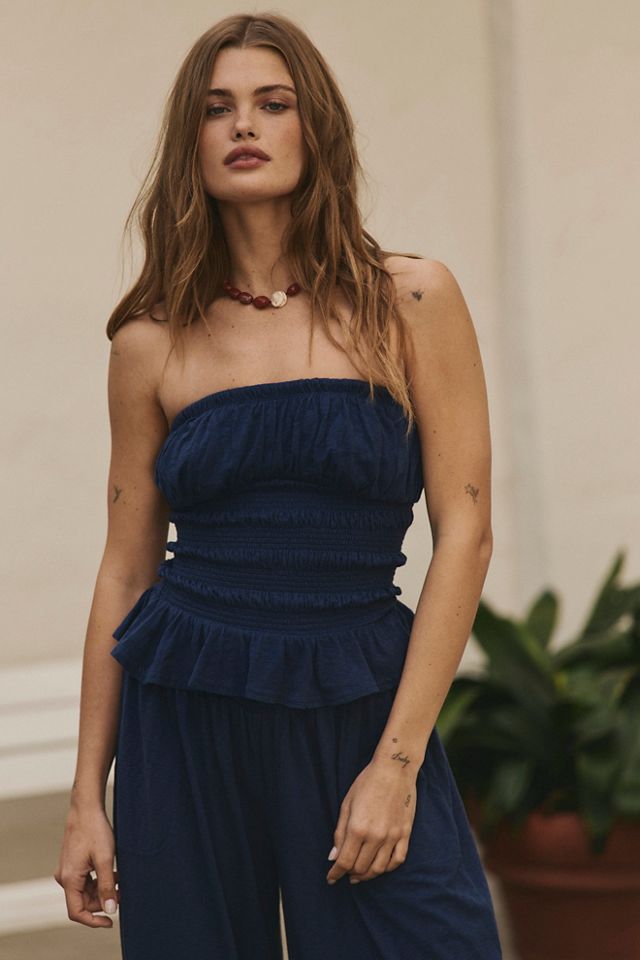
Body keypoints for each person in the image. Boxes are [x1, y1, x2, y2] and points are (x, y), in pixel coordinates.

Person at [54, 11, 503, 959]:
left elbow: (466, 535)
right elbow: (126, 571)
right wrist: (87, 797)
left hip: (358, 696)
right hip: (186, 707)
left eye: (273, 103)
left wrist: (396, 763)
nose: (244, 125)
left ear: (316, 128)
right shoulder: (149, 341)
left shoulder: (412, 300)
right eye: (217, 109)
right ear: (191, 142)